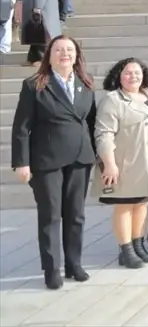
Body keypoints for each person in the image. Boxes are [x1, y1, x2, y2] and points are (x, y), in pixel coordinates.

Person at [10, 35, 97, 289]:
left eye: (69, 50)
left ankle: (74, 264)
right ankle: (52, 269)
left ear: (76, 55)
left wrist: (99, 156)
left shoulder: (86, 84)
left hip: (80, 158)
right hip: (47, 161)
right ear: (49, 55)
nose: (64, 54)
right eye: (58, 50)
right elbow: (20, 128)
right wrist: (21, 162)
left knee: (76, 215)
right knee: (50, 216)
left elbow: (91, 123)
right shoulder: (35, 85)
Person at [94, 58, 148, 268]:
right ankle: (125, 248)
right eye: (128, 73)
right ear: (118, 76)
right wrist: (109, 163)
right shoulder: (112, 100)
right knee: (125, 205)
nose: (133, 77)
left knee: (142, 203)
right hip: (125, 162)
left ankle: (139, 243)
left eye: (137, 72)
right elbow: (104, 133)